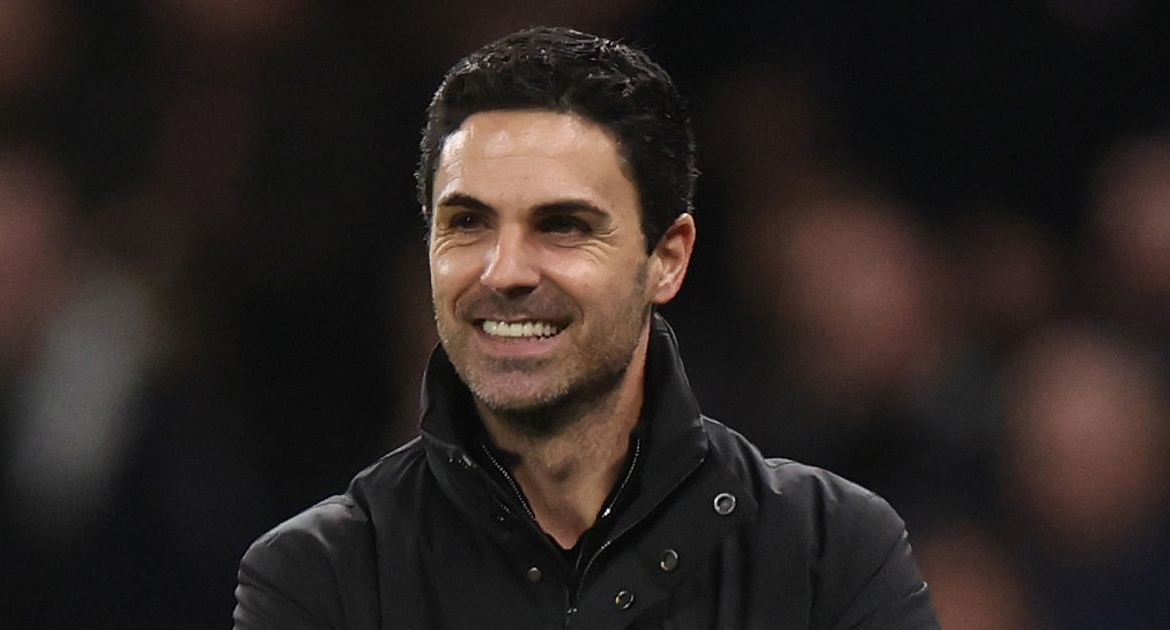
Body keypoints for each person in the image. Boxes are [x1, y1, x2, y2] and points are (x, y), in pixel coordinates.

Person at [233, 27, 940, 629]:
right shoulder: (319, 580)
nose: (505, 271)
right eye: (468, 223)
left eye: (563, 225)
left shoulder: (828, 551)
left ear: (667, 260)